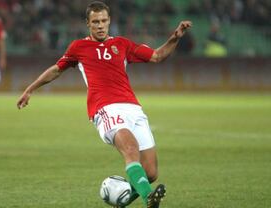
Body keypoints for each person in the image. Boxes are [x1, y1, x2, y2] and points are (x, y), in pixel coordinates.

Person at [17, 1, 192, 208]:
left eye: (104, 21)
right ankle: (149, 199)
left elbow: (156, 56)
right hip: (105, 109)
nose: (100, 25)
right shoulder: (78, 47)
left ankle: (123, 199)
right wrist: (30, 88)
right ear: (88, 24)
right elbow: (56, 69)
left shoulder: (122, 44)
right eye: (95, 22)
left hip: (133, 109)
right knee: (130, 148)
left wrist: (174, 38)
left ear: (109, 21)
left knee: (151, 172)